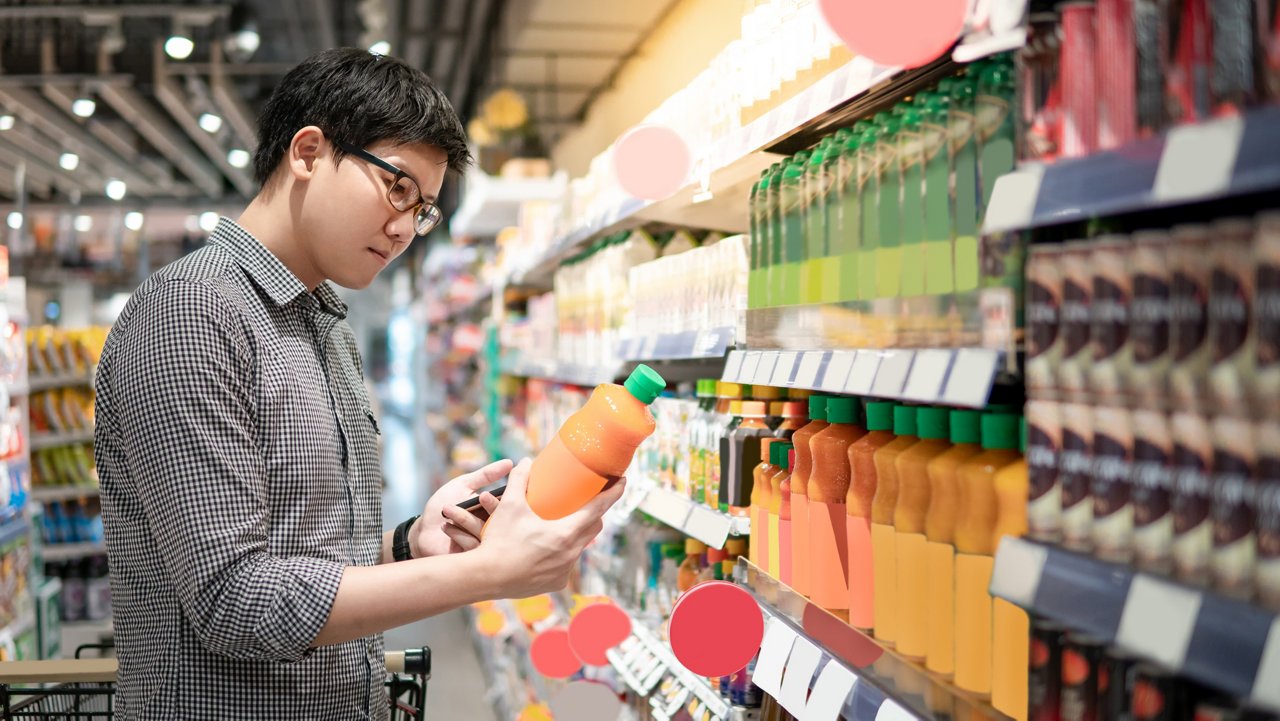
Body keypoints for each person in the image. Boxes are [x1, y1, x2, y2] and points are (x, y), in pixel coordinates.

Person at [93, 47, 623, 720]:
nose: (405, 227)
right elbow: (234, 599)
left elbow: (302, 549)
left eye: (423, 208)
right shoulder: (191, 314)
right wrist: (484, 573)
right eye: (397, 187)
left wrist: (409, 544)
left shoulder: (326, 326)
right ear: (309, 153)